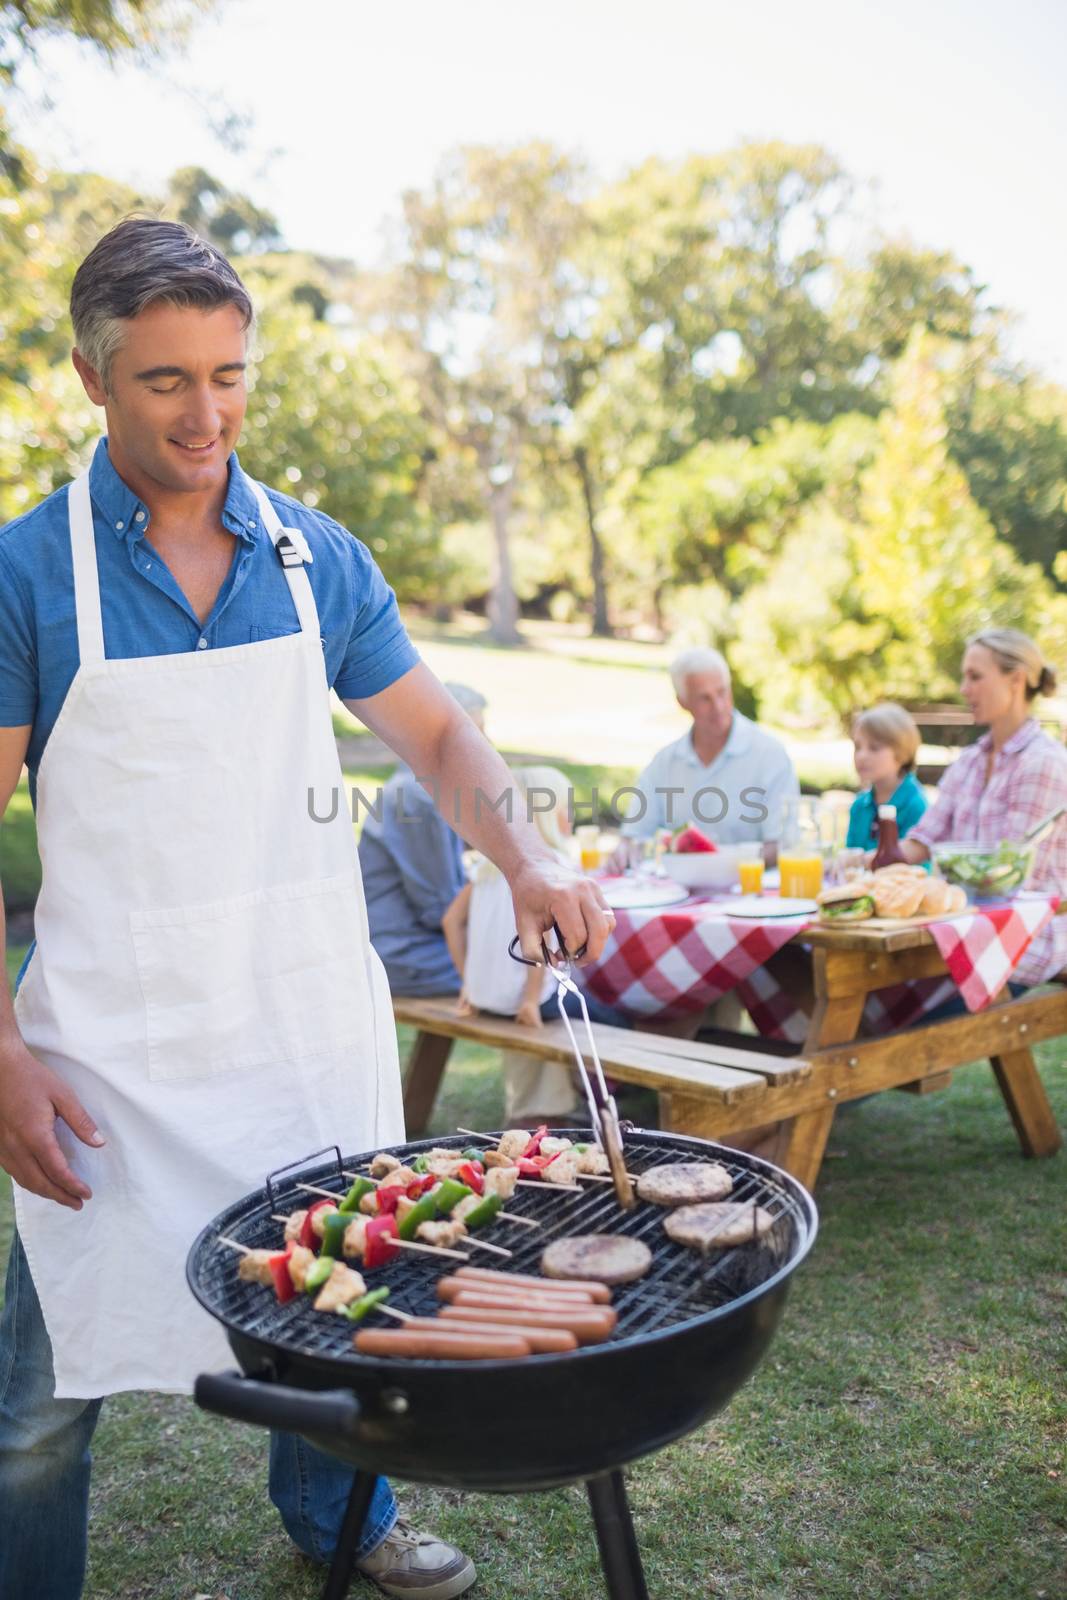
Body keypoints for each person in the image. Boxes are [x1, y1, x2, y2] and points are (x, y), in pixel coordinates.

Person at [0, 219, 613, 1600]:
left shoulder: (307, 556)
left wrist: (524, 859)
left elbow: (442, 741)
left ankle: (344, 1518)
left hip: (297, 1022)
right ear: (94, 380)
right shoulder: (28, 574)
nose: (205, 413)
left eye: (228, 374)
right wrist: (3, 1051)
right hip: (111, 1054)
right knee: (42, 1398)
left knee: (351, 1312)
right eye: (166, 380)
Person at [442, 767, 630, 1125]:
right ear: (555, 816)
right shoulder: (555, 870)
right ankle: (597, 1091)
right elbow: (542, 937)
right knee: (622, 1020)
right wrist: (529, 1000)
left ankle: (570, 1092)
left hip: (485, 997)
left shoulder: (485, 865)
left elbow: (451, 922)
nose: (571, 816)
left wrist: (470, 982)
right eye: (568, 808)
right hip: (529, 1001)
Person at [900, 628, 1067, 986]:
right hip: (965, 924)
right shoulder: (971, 761)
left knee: (884, 990)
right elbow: (923, 840)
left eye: (975, 676)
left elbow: (1008, 874)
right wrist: (862, 863)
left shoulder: (1043, 762)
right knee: (866, 981)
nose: (963, 688)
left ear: (1016, 680)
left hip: (1023, 935)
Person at [358, 681, 487, 996]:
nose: (487, 745)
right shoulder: (417, 797)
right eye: (476, 733)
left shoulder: (420, 788)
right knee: (528, 973)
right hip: (403, 955)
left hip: (407, 947)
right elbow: (439, 908)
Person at [613, 647, 799, 864]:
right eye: (704, 699)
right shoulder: (664, 763)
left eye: (722, 692)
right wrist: (624, 852)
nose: (718, 707)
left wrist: (721, 863)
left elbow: (783, 845)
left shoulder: (771, 755)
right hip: (683, 893)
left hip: (751, 892)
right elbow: (633, 836)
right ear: (682, 702)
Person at [846, 702, 928, 847]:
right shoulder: (859, 806)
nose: (862, 756)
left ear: (901, 752)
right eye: (857, 747)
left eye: (874, 748)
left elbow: (917, 865)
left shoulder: (916, 805)